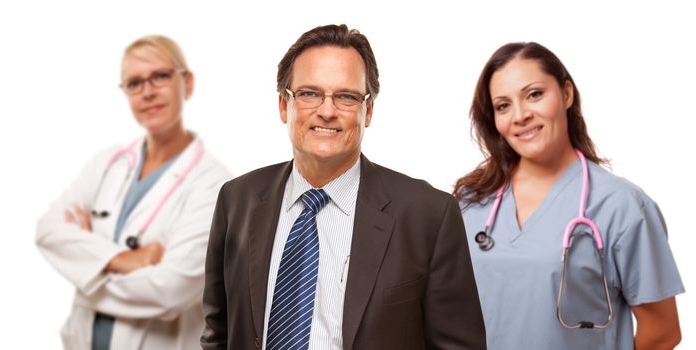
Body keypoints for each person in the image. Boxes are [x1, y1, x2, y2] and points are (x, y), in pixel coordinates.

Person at [201, 24, 485, 350]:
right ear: (284, 105)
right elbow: (218, 333)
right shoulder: (237, 200)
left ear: (368, 112)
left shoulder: (429, 215)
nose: (326, 111)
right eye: (309, 93)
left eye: (346, 97)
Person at [454, 41, 683, 349]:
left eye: (534, 94)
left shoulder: (622, 207)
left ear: (566, 94)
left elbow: (662, 332)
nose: (520, 115)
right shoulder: (470, 203)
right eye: (503, 106)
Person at [36, 35, 231, 350]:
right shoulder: (107, 164)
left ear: (188, 83)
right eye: (134, 83)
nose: (148, 92)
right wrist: (122, 259)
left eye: (161, 76)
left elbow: (169, 292)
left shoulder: (214, 185)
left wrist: (83, 268)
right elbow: (48, 231)